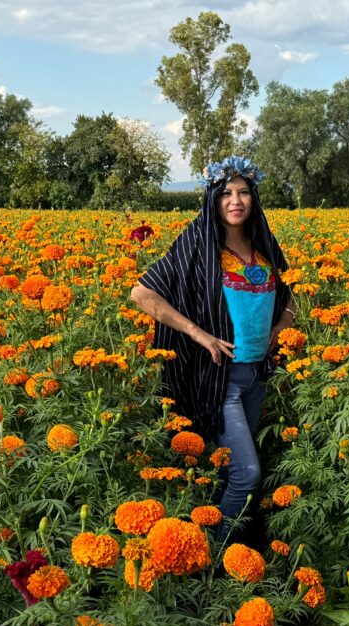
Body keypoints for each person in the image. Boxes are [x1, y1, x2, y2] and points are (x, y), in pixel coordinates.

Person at [130, 156, 295, 542]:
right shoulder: (198, 243)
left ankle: (221, 550)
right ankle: (215, 558)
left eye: (242, 193)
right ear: (212, 200)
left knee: (229, 469)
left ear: (253, 199)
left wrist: (284, 325)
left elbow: (292, 292)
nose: (235, 201)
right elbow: (141, 292)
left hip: (258, 376)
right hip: (221, 380)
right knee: (247, 474)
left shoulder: (265, 245)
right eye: (225, 194)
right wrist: (197, 333)